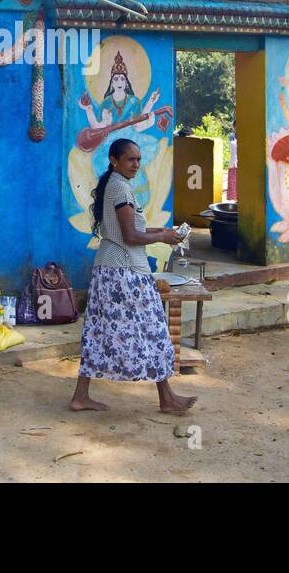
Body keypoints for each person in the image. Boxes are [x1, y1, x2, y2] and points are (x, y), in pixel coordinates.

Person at [71, 138, 197, 415]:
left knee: (98, 331)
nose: (136, 165)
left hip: (112, 270)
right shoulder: (120, 187)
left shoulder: (116, 185)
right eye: (130, 159)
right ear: (114, 161)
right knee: (154, 331)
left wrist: (161, 231)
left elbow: (127, 230)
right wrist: (163, 237)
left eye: (138, 159)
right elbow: (130, 237)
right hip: (123, 273)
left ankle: (81, 396)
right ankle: (166, 398)